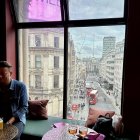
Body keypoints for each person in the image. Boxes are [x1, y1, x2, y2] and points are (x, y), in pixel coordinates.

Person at [0, 61, 28, 140]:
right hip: (2, 119)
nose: (0, 76)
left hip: (17, 120)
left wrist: (10, 121)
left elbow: (24, 107)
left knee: (11, 136)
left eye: (3, 74)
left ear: (10, 73)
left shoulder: (20, 86)